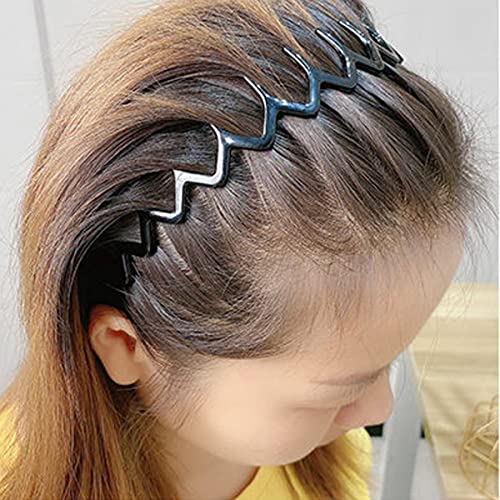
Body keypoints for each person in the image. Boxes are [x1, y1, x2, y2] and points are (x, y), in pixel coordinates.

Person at [0, 0, 493, 499]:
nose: (380, 409)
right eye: (338, 391)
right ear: (126, 347)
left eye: (389, 358)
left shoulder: (327, 458)